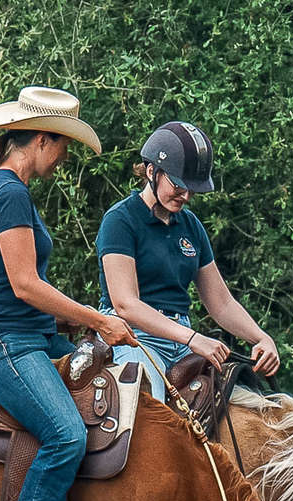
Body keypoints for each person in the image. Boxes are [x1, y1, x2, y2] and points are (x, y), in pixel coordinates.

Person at [0, 87, 137, 501]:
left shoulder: (7, 189)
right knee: (64, 433)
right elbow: (25, 285)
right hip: (1, 341)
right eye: (62, 147)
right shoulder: (9, 192)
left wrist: (81, 328)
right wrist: (100, 319)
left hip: (29, 335)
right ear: (42, 139)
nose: (62, 159)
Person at [95, 120, 280, 399]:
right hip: (133, 339)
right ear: (151, 171)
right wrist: (193, 339)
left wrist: (261, 338)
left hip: (181, 340)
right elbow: (126, 304)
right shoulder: (120, 220)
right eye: (178, 185)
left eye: (192, 189)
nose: (186, 195)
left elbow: (222, 303)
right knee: (151, 413)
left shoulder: (191, 226)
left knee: (242, 402)